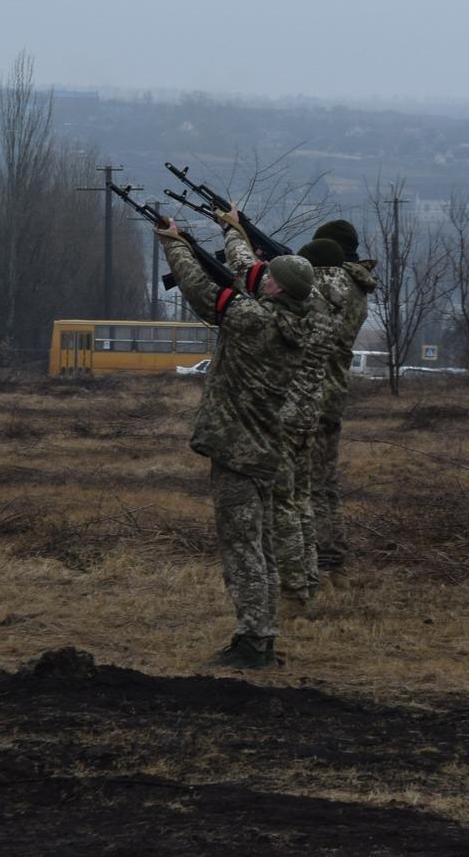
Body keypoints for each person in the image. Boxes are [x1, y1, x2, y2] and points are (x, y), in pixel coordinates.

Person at [155, 215, 319, 669]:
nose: (259, 278)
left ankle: (253, 643)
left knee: (244, 550)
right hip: (265, 451)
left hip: (237, 450)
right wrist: (232, 229)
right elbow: (249, 270)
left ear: (277, 291)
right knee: (261, 549)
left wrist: (175, 245)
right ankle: (262, 637)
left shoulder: (255, 321)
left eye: (268, 279)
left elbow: (203, 292)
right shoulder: (301, 318)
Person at [216, 211, 340, 619]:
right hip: (309, 413)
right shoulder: (325, 304)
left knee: (283, 506)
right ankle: (307, 579)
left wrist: (234, 231)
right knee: (300, 501)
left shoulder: (294, 307)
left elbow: (245, 268)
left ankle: (293, 594)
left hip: (282, 415)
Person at [300, 220, 377, 578]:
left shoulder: (334, 285)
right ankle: (332, 554)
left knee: (310, 483)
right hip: (332, 394)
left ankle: (322, 557)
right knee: (325, 483)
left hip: (313, 393)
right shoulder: (356, 286)